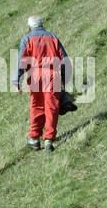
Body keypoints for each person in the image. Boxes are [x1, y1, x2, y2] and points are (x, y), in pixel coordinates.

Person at [13, 15, 72, 152]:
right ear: (42, 25)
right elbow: (65, 60)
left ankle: (34, 138)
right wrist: (64, 79)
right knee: (52, 107)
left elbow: (21, 61)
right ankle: (48, 140)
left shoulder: (26, 39)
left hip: (35, 76)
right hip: (52, 75)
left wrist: (17, 82)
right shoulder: (53, 37)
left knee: (37, 106)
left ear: (29, 27)